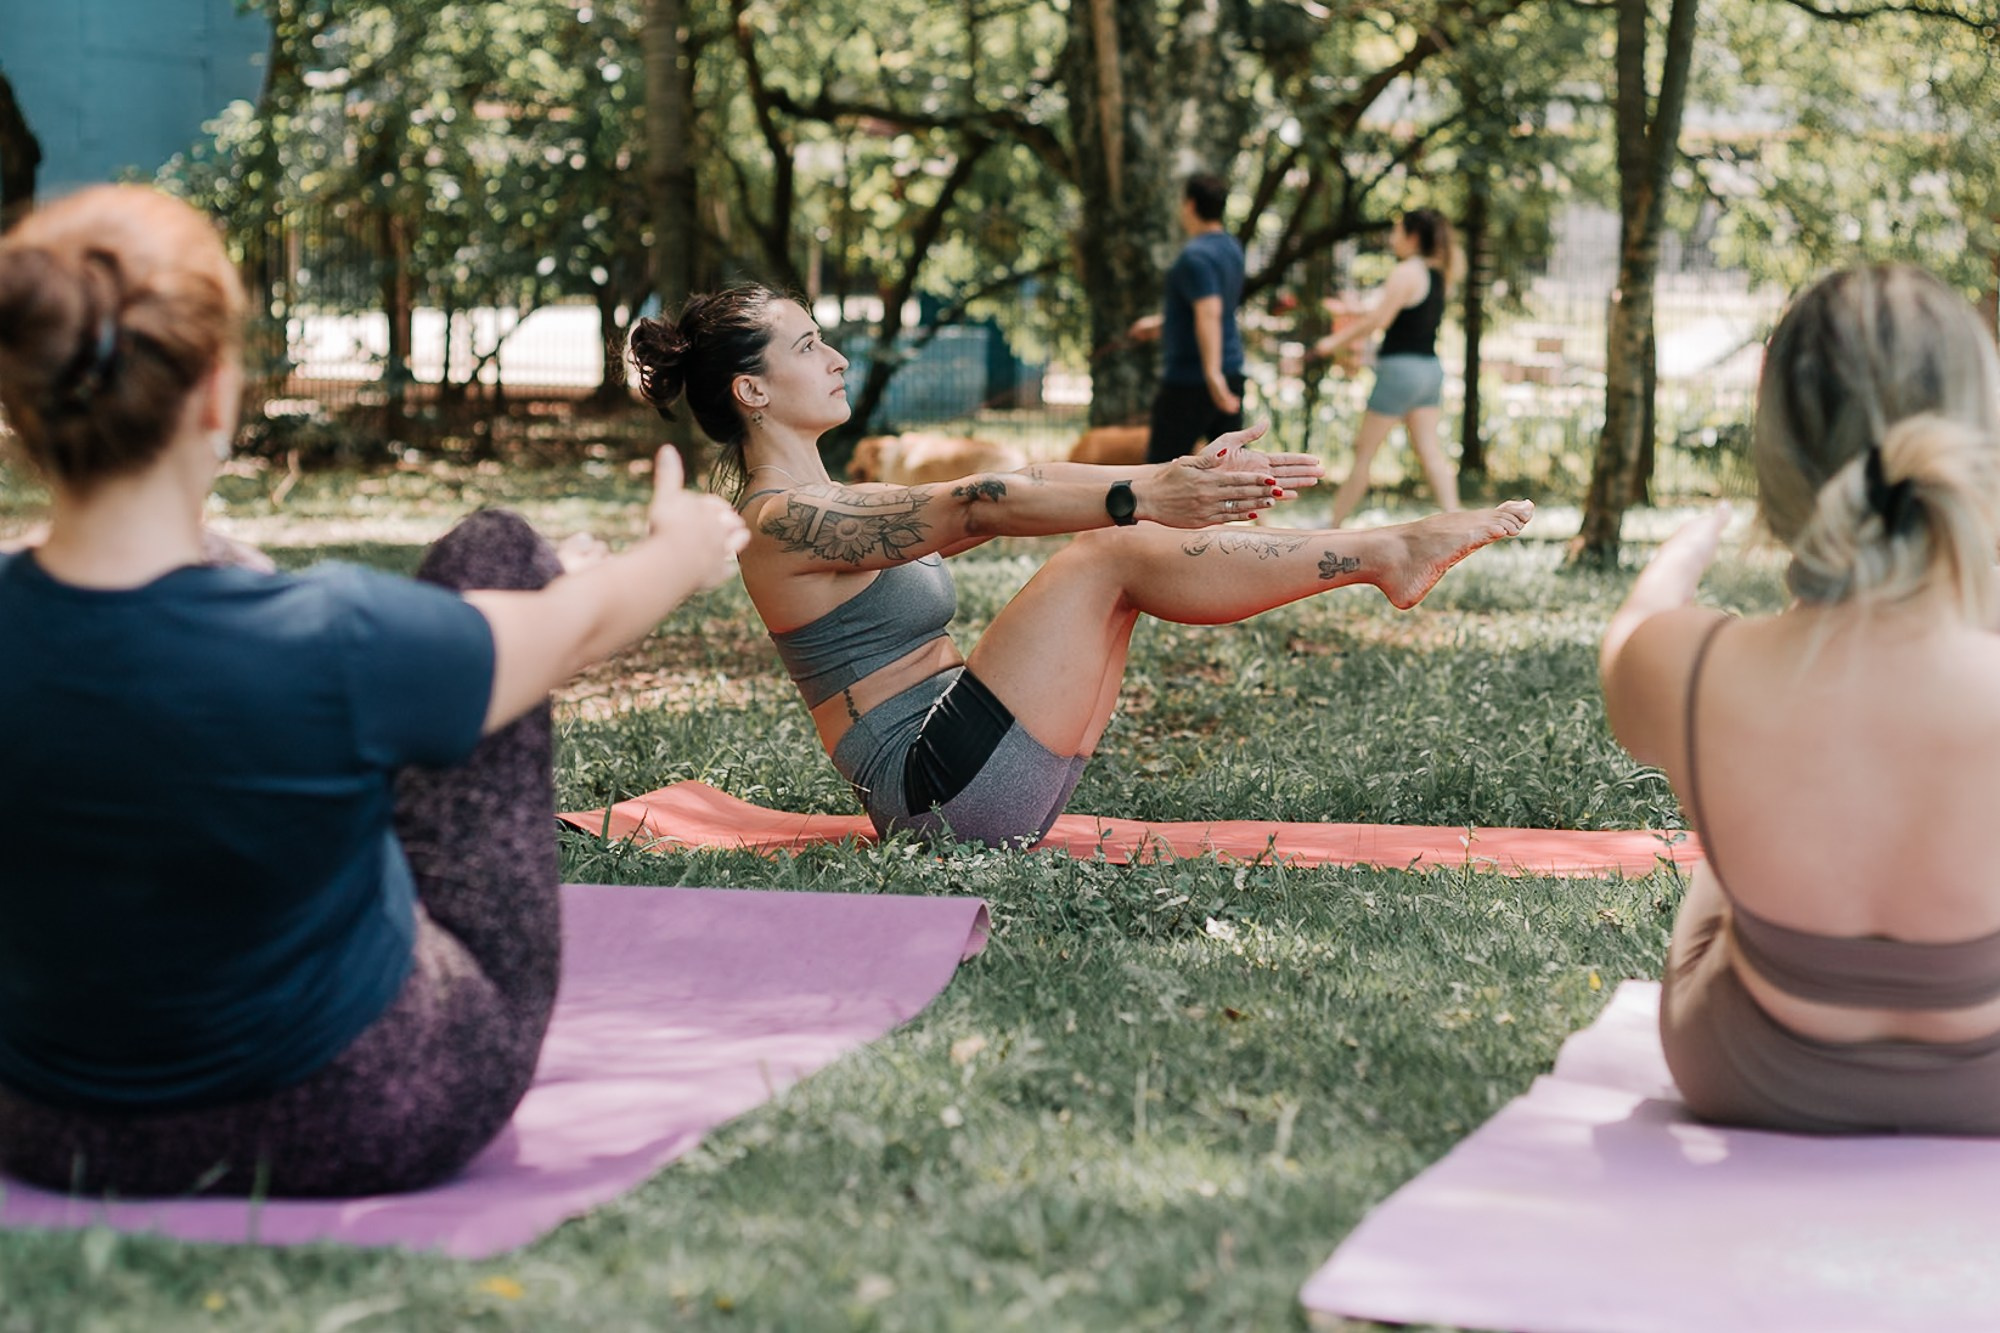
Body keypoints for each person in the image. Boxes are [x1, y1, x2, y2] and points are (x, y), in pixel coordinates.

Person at [0, 185, 748, 1196]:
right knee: (497, 551)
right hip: (359, 1111)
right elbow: (574, 623)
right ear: (217, 394)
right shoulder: (328, 633)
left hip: (50, 1128)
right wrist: (681, 547)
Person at [627, 285, 1534, 851]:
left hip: (986, 772)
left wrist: (1163, 478)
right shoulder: (779, 521)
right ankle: (1385, 553)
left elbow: (1031, 480)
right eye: (806, 346)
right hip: (935, 792)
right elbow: (980, 502)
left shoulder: (831, 500)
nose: (834, 356)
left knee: (1116, 548)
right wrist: (1141, 502)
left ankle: (1384, 551)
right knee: (1109, 551)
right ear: (751, 391)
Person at [1600, 263, 2000, 1135]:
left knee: (1731, 817)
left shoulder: (1695, 663)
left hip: (1754, 1068)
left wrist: (1681, 552)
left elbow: (1627, 652)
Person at [1313, 208, 1463, 525]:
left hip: (1401, 371)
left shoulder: (1407, 271)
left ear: (1412, 236)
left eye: (1397, 232)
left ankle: (1331, 526)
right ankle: (1458, 524)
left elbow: (1379, 320)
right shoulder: (1438, 273)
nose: (1392, 239)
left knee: (1363, 451)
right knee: (1430, 452)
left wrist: (1333, 343)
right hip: (1429, 371)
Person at [1129, 173, 1246, 464]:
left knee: (1159, 473)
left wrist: (1212, 376)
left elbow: (1209, 313)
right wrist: (1159, 326)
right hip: (1229, 371)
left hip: (1192, 382)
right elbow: (1207, 309)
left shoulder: (1195, 257)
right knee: (1230, 471)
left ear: (1190, 205)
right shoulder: (1232, 249)